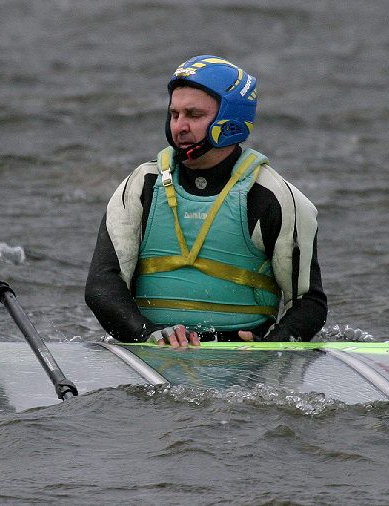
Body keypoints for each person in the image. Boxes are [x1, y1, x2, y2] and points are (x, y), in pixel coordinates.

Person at [85, 55, 327, 348]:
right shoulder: (141, 185)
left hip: (241, 359)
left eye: (194, 115)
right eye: (174, 115)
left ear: (231, 120)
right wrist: (146, 334)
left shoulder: (275, 197)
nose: (180, 127)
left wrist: (272, 347)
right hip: (148, 348)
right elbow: (101, 285)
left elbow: (308, 302)